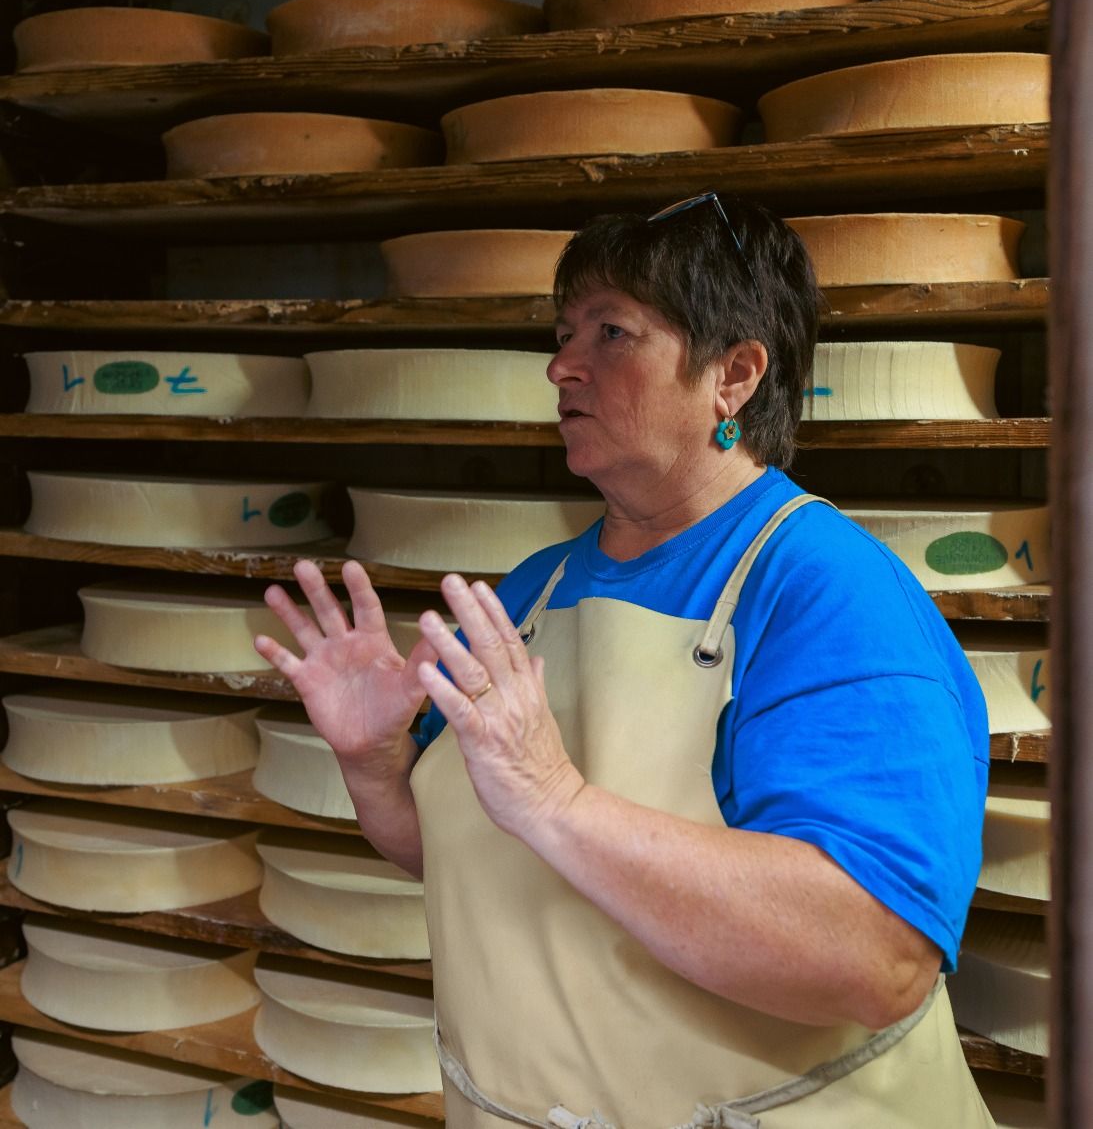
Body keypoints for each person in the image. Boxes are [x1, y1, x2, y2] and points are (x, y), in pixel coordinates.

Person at [257, 192, 995, 1129]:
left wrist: (556, 801)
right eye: (563, 335)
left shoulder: (826, 592)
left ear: (733, 375)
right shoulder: (534, 591)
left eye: (611, 333)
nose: (561, 366)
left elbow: (873, 959)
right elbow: (460, 861)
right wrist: (374, 765)